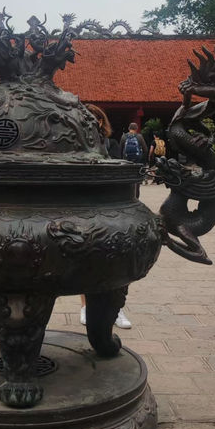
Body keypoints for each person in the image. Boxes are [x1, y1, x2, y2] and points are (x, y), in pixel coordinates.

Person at [79, 104, 131, 329]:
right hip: (83, 207)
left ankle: (115, 309)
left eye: (96, 119)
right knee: (86, 258)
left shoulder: (111, 144)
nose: (92, 122)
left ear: (102, 122)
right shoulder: (74, 144)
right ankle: (85, 306)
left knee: (115, 257)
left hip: (108, 207)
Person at [120, 122, 149, 197]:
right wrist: (142, 160)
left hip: (126, 163)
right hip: (137, 163)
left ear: (129, 128)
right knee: (137, 181)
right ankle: (136, 198)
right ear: (136, 129)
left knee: (127, 180)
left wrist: (122, 160)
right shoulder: (139, 137)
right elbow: (145, 150)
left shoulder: (124, 137)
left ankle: (127, 197)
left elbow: (120, 150)